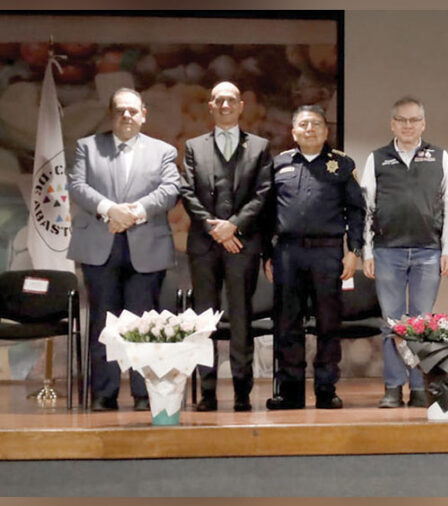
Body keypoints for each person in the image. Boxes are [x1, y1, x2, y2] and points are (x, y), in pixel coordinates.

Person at [67, 87, 180, 411]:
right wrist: (109, 210)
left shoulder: (163, 151)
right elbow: (77, 185)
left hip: (147, 248)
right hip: (99, 246)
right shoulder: (88, 147)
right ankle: (105, 394)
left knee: (144, 322)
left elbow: (171, 189)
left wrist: (135, 212)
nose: (127, 115)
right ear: (111, 114)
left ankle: (144, 394)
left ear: (144, 114)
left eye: (133, 110)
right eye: (120, 110)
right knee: (104, 322)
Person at [179, 82, 273, 412]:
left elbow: (263, 193)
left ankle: (242, 392)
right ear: (210, 106)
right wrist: (215, 229)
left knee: (241, 317)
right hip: (204, 246)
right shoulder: (194, 147)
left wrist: (234, 225)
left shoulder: (259, 147)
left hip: (241, 244)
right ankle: (207, 392)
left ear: (241, 105)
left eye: (231, 100)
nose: (224, 105)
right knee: (204, 321)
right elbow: (187, 192)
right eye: (218, 100)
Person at [264, 105, 364, 410]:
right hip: (288, 253)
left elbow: (356, 211)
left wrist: (353, 251)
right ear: (293, 132)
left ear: (326, 130)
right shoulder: (279, 164)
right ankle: (290, 391)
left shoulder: (342, 165)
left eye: (316, 124)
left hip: (327, 252)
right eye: (304, 125)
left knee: (328, 323)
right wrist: (267, 255)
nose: (310, 129)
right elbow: (266, 214)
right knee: (287, 323)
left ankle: (326, 389)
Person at [361, 97, 448, 408]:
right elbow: (366, 207)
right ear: (392, 124)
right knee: (392, 323)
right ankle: (392, 387)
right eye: (402, 120)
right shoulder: (377, 159)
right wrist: (367, 252)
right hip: (387, 252)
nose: (408, 125)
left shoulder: (439, 156)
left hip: (428, 251)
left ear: (423, 124)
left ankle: (419, 387)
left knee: (421, 324)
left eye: (414, 120)